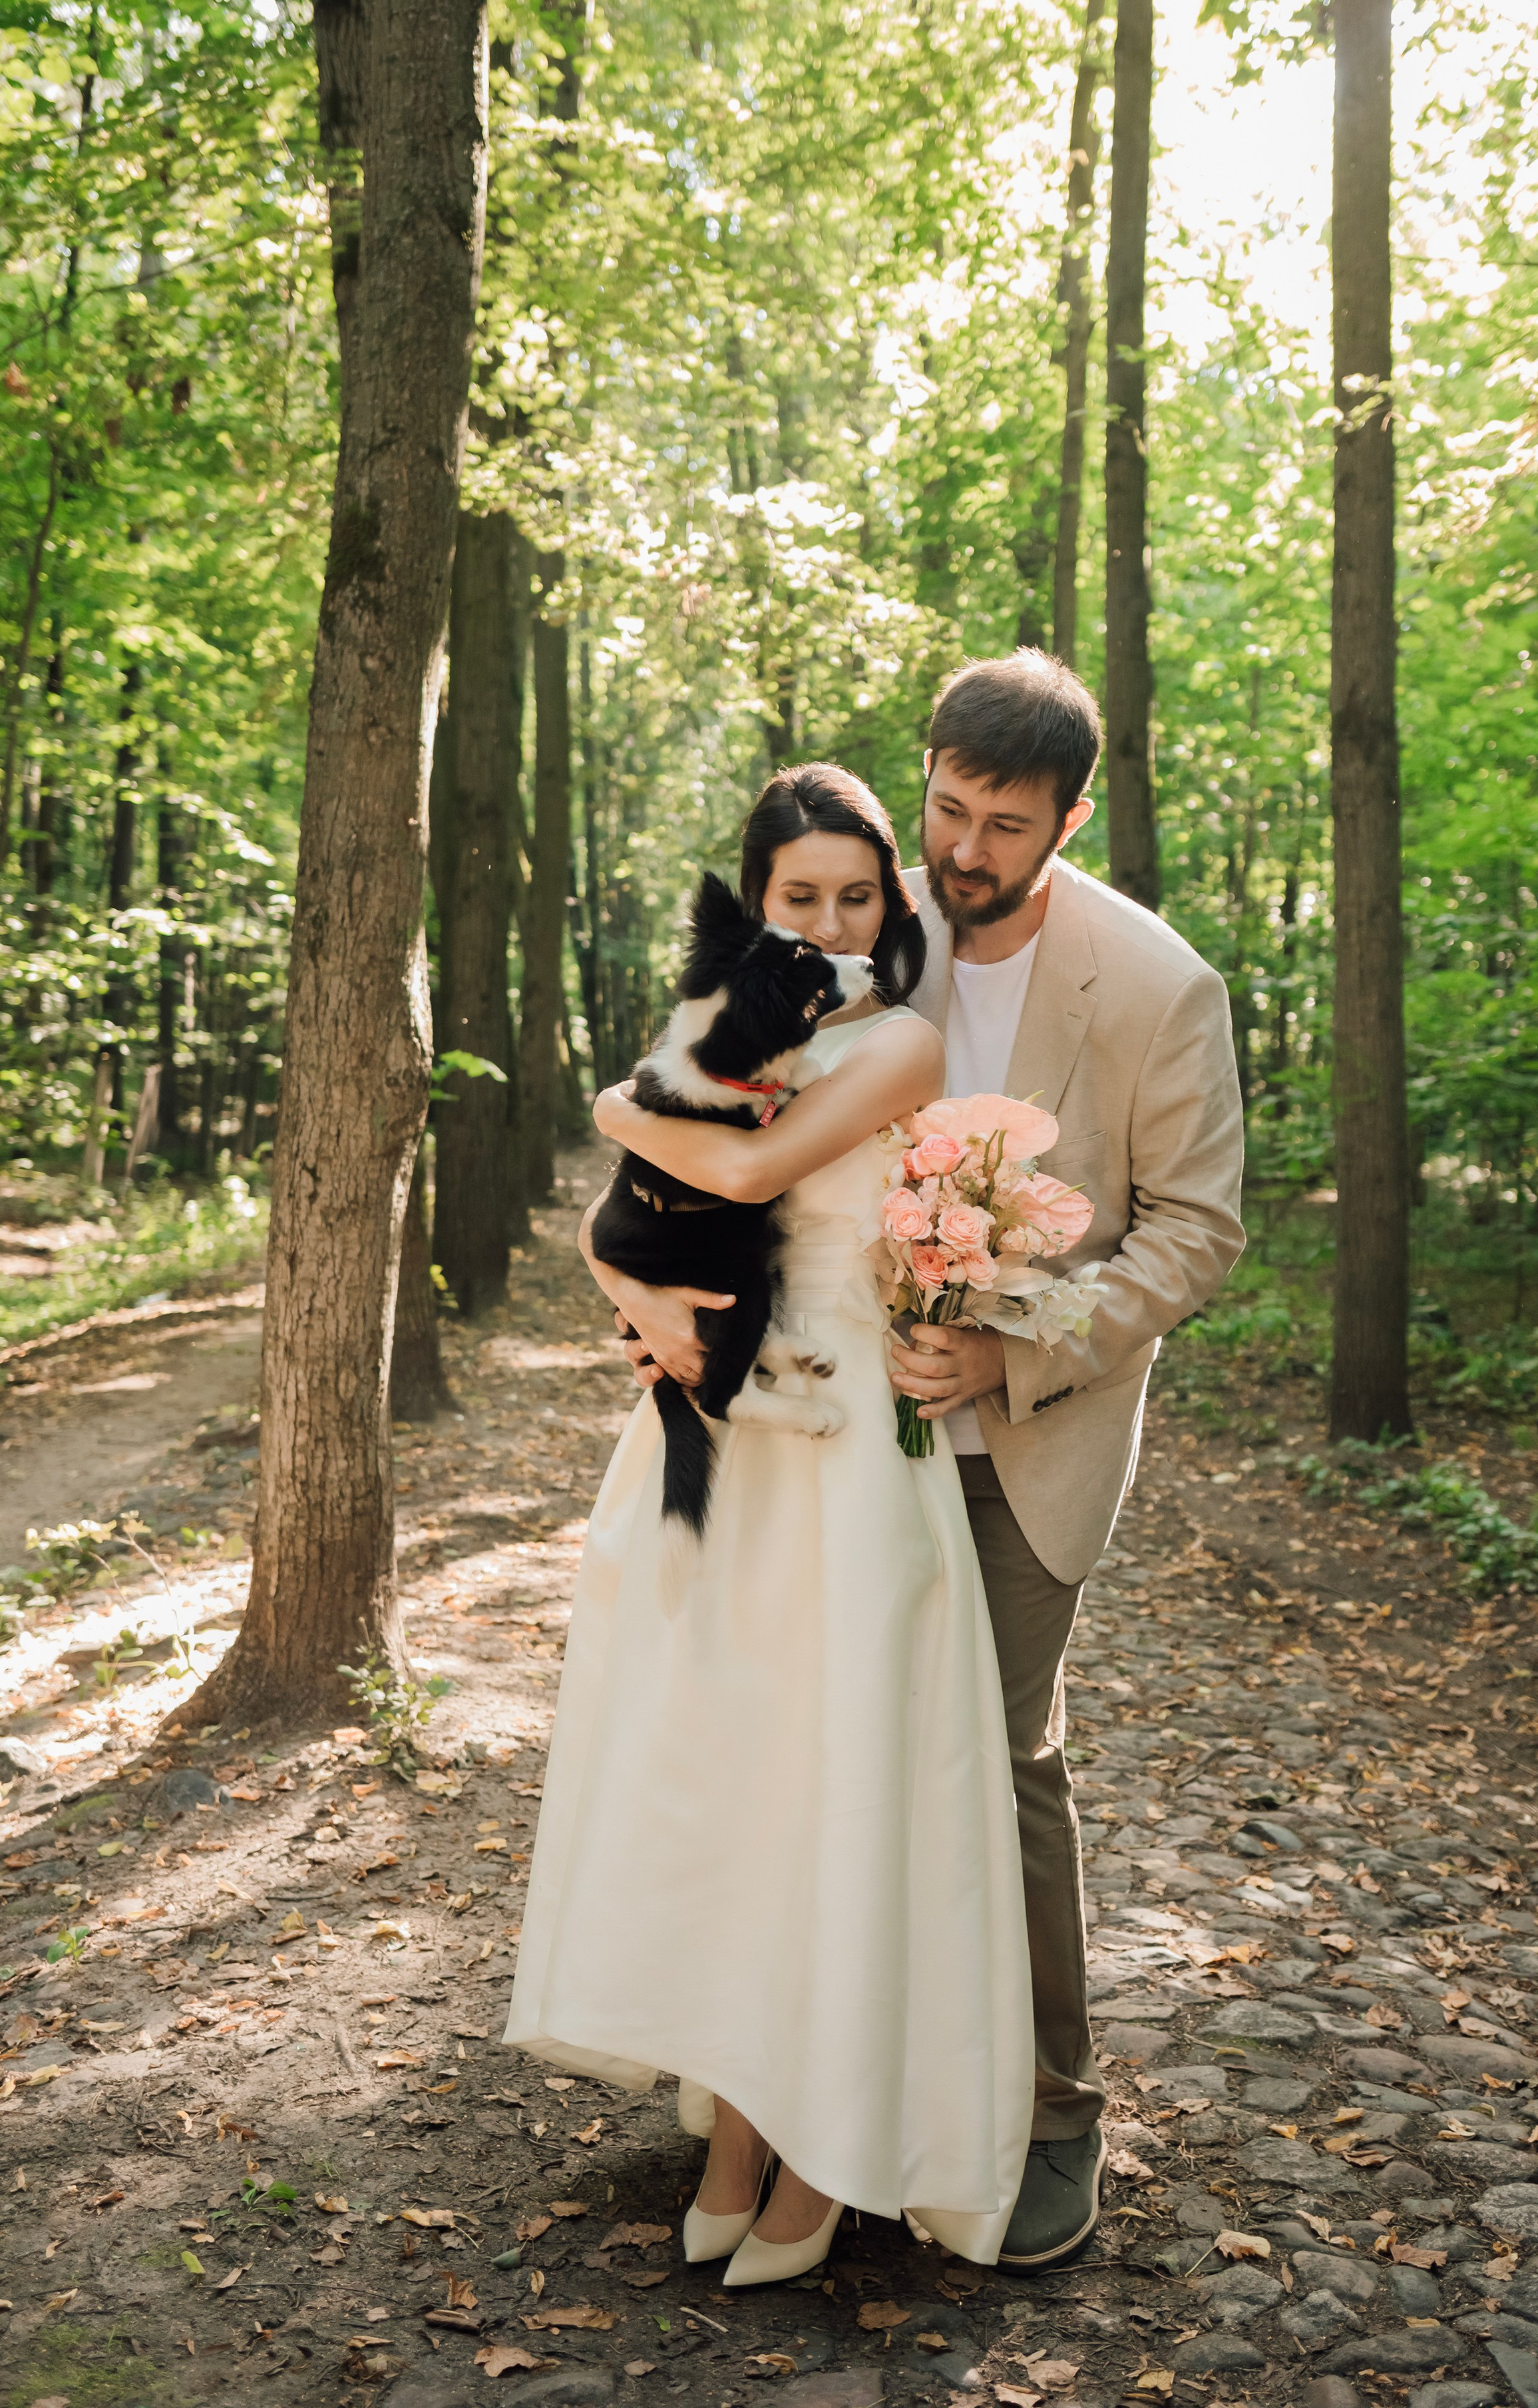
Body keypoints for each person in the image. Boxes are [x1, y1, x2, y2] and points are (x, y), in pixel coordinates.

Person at [504, 762, 1034, 2287]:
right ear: (757, 904)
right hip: (705, 1421)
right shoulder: (736, 1029)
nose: (829, 918)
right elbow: (634, 1228)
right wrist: (635, 1302)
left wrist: (606, 1098)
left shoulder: (898, 1042)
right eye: (797, 896)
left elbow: (734, 1168)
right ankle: (735, 2124)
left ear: (890, 905)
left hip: (850, 1429)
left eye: (856, 895)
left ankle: (825, 2148)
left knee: (836, 1779)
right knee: (729, 1783)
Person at [886, 650, 1245, 2269]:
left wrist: (1013, 1342)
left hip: (1031, 1440)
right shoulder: (855, 926)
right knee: (846, 1750)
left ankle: (1053, 2109)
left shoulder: (1155, 984)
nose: (958, 852)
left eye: (999, 826)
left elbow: (1195, 1232)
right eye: (946, 807)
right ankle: (843, 2080)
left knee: (1003, 1761)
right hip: (843, 1438)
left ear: (1069, 820)